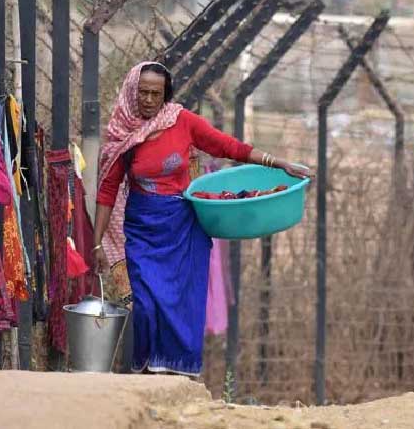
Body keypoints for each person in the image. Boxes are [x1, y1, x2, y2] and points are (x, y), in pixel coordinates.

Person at [93, 61, 310, 377]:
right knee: (146, 303)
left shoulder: (182, 122)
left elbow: (228, 147)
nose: (150, 100)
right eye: (143, 93)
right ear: (131, 92)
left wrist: (277, 163)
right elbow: (107, 191)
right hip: (142, 228)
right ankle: (145, 374)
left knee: (180, 304)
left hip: (182, 227)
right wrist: (97, 242)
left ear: (166, 95)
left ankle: (173, 374)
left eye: (157, 94)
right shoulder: (122, 135)